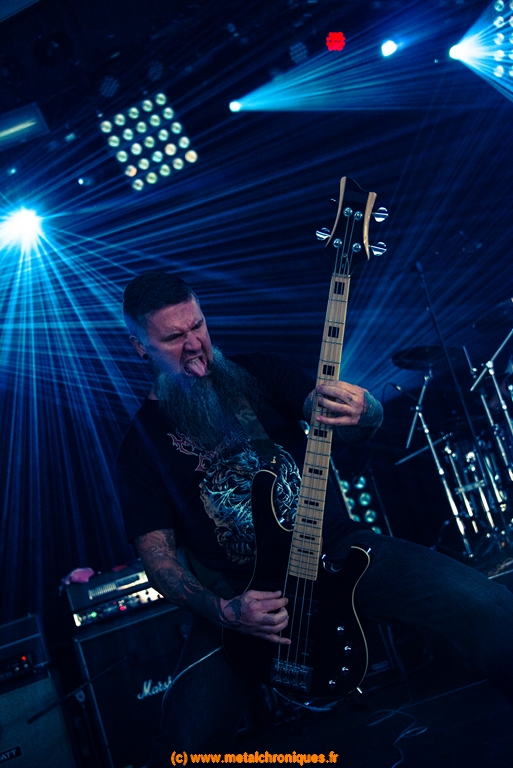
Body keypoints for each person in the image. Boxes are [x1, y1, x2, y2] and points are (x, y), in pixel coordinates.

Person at [116, 270, 513, 766]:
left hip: (338, 551)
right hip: (247, 600)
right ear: (140, 346)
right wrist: (224, 612)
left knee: (492, 607)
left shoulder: (258, 373)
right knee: (183, 747)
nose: (195, 344)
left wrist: (366, 411)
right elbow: (158, 559)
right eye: (174, 337)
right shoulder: (140, 448)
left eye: (197, 325)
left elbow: (334, 416)